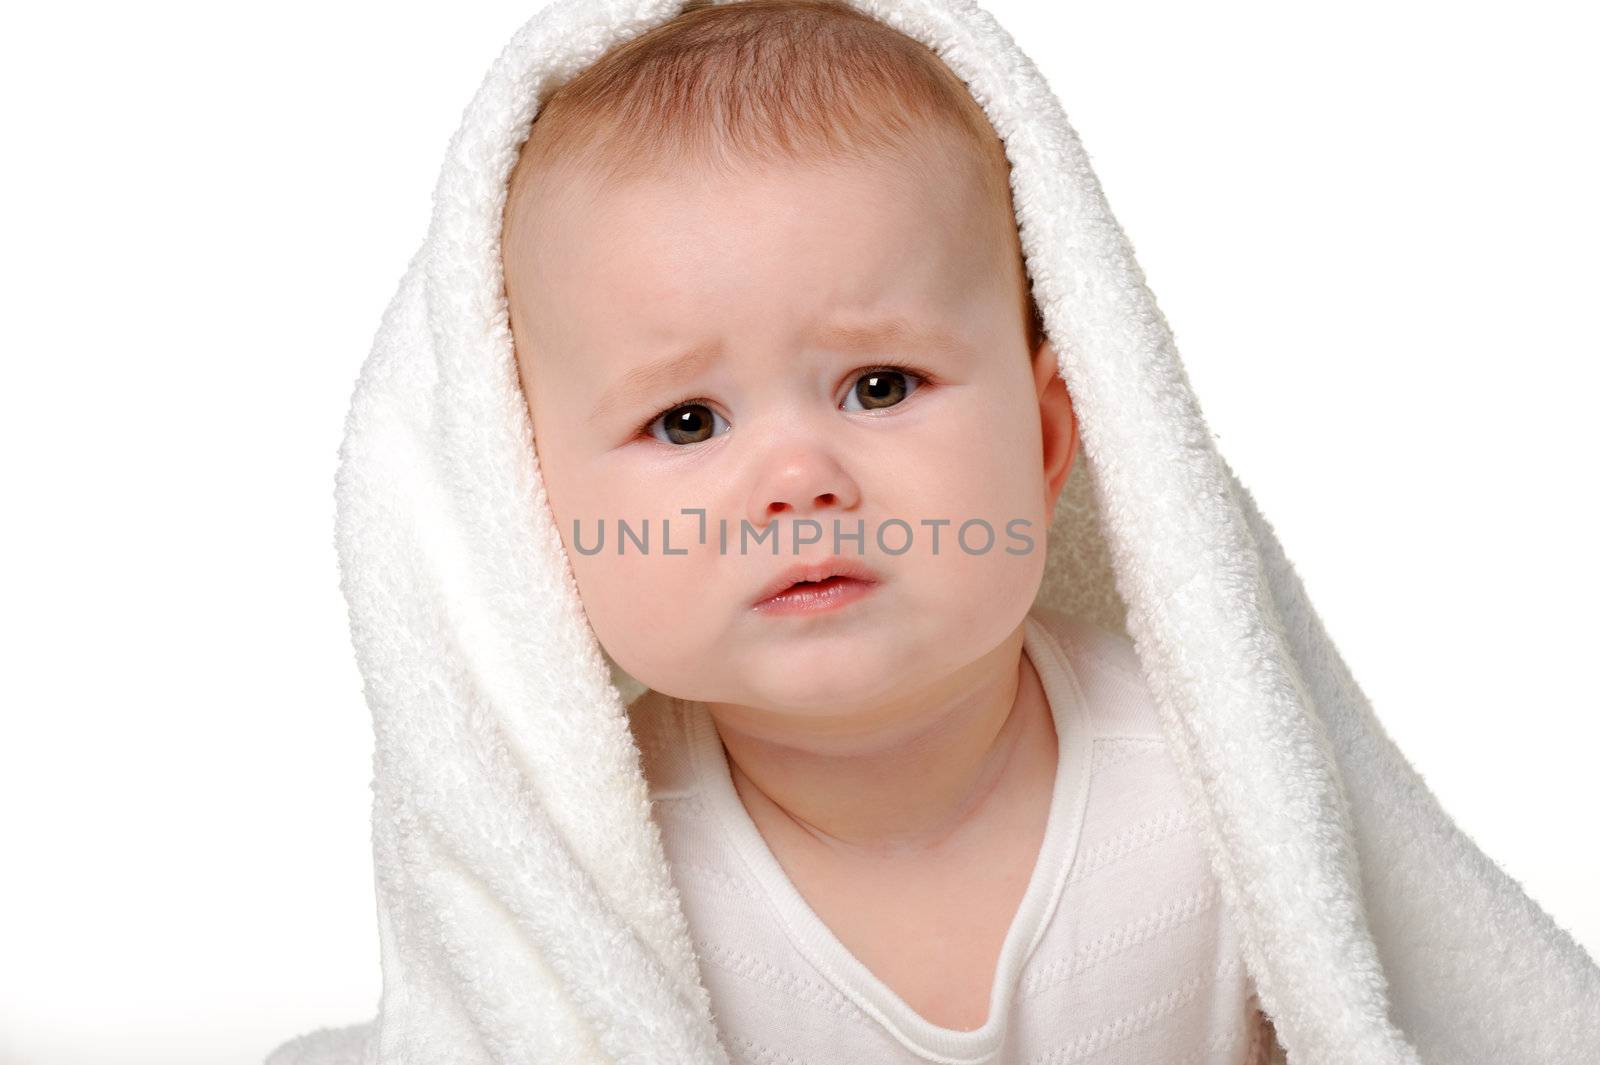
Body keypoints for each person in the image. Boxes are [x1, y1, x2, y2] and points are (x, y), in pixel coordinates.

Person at [265, 2, 1599, 1063]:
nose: (797, 477)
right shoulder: (598, 880)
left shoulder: (1212, 778)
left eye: (881, 385)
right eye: (685, 421)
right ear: (533, 512)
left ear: (1048, 436)